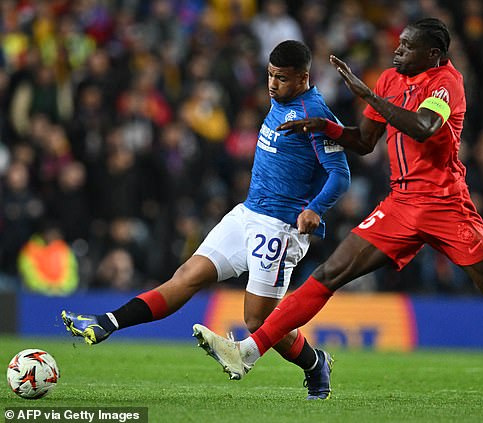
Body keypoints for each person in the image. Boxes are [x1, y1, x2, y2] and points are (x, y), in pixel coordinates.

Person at [194, 18, 483, 407]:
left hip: (446, 205)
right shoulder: (390, 79)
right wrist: (325, 127)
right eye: (397, 45)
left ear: (432, 54)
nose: (397, 52)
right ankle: (247, 352)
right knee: (328, 275)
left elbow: (424, 127)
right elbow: (363, 141)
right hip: (400, 203)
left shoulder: (447, 83)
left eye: (406, 47)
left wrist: (366, 94)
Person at [61, 40, 351, 401]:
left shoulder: (315, 115)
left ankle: (315, 363)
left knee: (258, 322)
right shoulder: (281, 101)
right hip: (246, 214)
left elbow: (340, 175)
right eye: (270, 76)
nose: (273, 85)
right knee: (187, 275)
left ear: (303, 78)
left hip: (279, 228)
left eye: (282, 79)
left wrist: (315, 209)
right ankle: (108, 322)